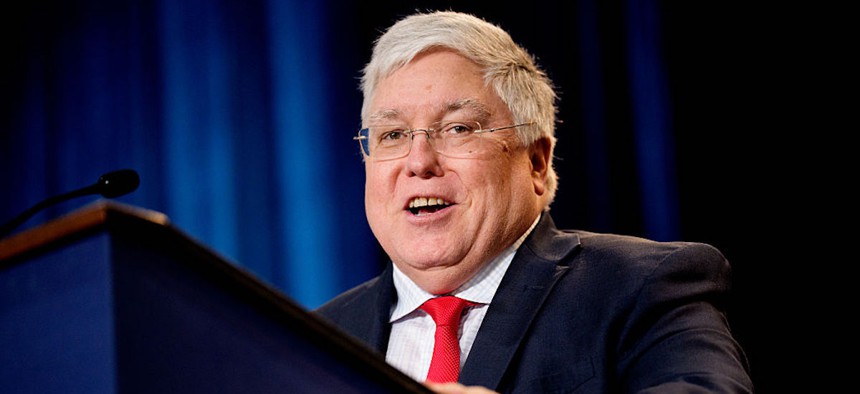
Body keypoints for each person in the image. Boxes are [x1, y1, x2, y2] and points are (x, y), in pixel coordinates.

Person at [316, 10, 754, 394]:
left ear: (537, 163)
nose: (418, 162)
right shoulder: (317, 336)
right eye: (393, 135)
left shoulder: (640, 287)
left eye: (458, 128)